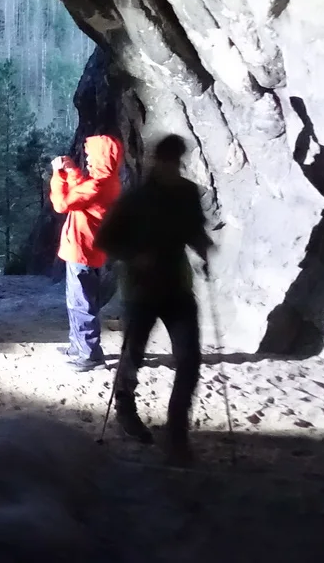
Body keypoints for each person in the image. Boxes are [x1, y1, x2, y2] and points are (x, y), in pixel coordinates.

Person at [95, 134, 213, 466]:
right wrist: (135, 256)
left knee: (189, 359)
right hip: (141, 290)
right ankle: (125, 408)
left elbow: (194, 229)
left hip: (177, 287)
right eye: (168, 161)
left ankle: (177, 433)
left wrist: (203, 245)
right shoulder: (136, 200)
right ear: (157, 162)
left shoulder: (187, 193)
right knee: (133, 354)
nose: (173, 167)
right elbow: (106, 239)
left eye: (177, 161)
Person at [49, 134, 123, 372]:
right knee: (78, 301)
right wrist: (72, 171)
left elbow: (63, 203)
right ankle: (79, 346)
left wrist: (58, 175)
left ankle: (89, 354)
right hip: (89, 250)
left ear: (102, 157)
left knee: (81, 303)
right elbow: (81, 193)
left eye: (92, 155)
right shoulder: (108, 181)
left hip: (82, 252)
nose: (88, 159)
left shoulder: (96, 186)